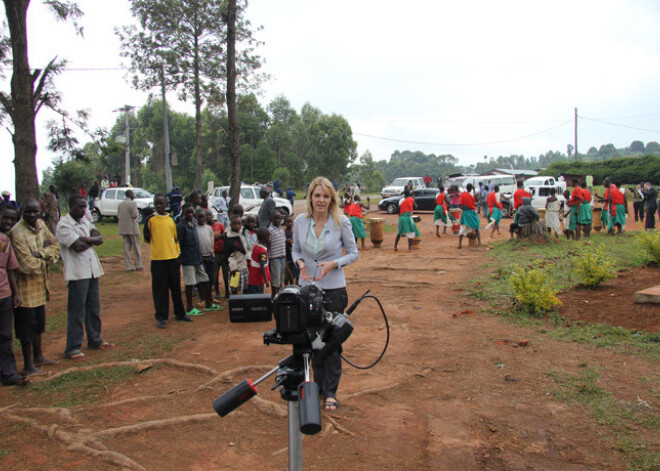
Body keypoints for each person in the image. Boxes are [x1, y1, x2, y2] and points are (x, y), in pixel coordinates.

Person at [291, 176, 358, 412]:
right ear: (310, 197)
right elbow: (296, 249)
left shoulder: (342, 222)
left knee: (331, 341)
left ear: (332, 199)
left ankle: (330, 391)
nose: (321, 200)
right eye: (317, 195)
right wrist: (299, 262)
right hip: (306, 289)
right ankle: (314, 386)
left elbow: (353, 253)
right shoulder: (300, 221)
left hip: (333, 290)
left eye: (325, 196)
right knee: (310, 339)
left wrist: (334, 264)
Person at [56, 196, 113, 360]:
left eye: (84, 207)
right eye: (79, 207)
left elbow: (99, 238)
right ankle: (72, 347)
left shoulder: (84, 222)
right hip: (77, 273)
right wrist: (91, 240)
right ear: (70, 205)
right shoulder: (64, 225)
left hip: (92, 270)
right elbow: (77, 246)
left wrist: (87, 238)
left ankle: (95, 340)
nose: (83, 210)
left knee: (93, 307)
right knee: (77, 311)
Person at [10, 198, 61, 371]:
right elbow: (26, 265)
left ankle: (38, 356)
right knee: (26, 327)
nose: (32, 215)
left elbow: (55, 246)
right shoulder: (16, 232)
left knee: (39, 324)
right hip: (24, 289)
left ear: (40, 211)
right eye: (27, 212)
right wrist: (48, 258)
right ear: (21, 212)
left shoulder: (41, 225)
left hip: (40, 285)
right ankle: (28, 364)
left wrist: (39, 254)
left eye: (35, 211)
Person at [143, 194, 191, 329]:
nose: (158, 206)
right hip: (158, 260)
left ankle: (180, 314)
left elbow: (175, 238)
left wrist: (177, 253)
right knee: (160, 289)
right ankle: (161, 316)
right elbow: (147, 238)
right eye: (156, 203)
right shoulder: (150, 219)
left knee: (175, 287)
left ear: (166, 204)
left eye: (160, 203)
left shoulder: (171, 219)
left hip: (173, 258)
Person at [176, 204, 218, 316]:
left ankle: (208, 303)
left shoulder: (193, 224)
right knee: (190, 283)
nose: (190, 214)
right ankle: (189, 308)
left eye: (191, 212)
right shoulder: (181, 226)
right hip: (188, 259)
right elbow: (179, 243)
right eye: (187, 212)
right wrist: (181, 258)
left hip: (197, 258)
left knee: (205, 279)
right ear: (183, 212)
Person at [0, 224, 27, 386]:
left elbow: (10, 268)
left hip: (4, 294)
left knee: (5, 335)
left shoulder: (4, 240)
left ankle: (9, 372)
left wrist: (15, 293)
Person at [197, 209, 222, 310]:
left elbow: (211, 241)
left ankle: (209, 299)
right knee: (202, 280)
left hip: (210, 256)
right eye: (201, 217)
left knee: (211, 278)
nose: (203, 218)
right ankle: (203, 299)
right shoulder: (195, 229)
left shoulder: (208, 229)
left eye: (204, 216)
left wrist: (212, 254)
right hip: (201, 257)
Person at [117, 189, 143, 271]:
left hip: (124, 228)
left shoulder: (120, 204)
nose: (134, 195)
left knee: (126, 248)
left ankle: (128, 266)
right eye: (133, 194)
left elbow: (118, 215)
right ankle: (138, 265)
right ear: (130, 195)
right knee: (136, 247)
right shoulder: (133, 203)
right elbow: (135, 215)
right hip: (132, 228)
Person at [224, 215, 249, 295]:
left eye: (239, 223)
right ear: (231, 225)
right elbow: (228, 255)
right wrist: (232, 267)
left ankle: (244, 304)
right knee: (234, 288)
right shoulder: (229, 238)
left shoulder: (242, 234)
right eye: (234, 224)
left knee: (245, 287)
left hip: (244, 266)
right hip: (235, 268)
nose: (237, 225)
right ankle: (235, 304)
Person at [207, 210, 228, 299]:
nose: (207, 217)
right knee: (214, 275)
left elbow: (225, 235)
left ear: (212, 215)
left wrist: (216, 238)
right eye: (206, 215)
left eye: (209, 215)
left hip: (223, 253)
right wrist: (218, 237)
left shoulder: (219, 225)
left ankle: (227, 292)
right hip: (214, 254)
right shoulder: (206, 228)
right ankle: (217, 292)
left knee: (226, 274)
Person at [394, 187, 419, 252]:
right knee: (411, 232)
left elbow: (398, 210)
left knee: (399, 232)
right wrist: (414, 199)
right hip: (408, 217)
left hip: (401, 218)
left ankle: (395, 246)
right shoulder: (411, 199)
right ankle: (410, 247)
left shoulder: (401, 200)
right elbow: (416, 207)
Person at [247, 227, 270, 294]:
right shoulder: (262, 251)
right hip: (258, 277)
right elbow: (262, 266)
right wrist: (266, 279)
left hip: (252, 274)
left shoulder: (256, 246)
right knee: (258, 293)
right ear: (266, 237)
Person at [268, 211, 286, 298]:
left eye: (279, 218)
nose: (277, 220)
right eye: (275, 218)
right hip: (275, 257)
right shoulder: (270, 230)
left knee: (281, 279)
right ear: (271, 219)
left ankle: (280, 297)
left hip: (282, 256)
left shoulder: (281, 228)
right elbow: (268, 243)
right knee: (275, 280)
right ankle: (274, 297)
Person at [458, 183, 481, 248]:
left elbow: (461, 204)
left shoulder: (463, 195)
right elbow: (476, 200)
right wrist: (474, 191)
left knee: (462, 228)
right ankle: (479, 242)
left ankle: (460, 244)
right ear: (472, 188)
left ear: (466, 188)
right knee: (476, 226)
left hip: (465, 213)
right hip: (471, 212)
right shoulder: (473, 194)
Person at [283, 215, 298, 285]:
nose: (289, 224)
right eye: (287, 222)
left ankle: (292, 286)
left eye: (291, 222)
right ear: (285, 223)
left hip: (293, 256)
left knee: (292, 274)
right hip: (286, 256)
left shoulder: (294, 233)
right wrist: (287, 241)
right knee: (286, 275)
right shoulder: (284, 233)